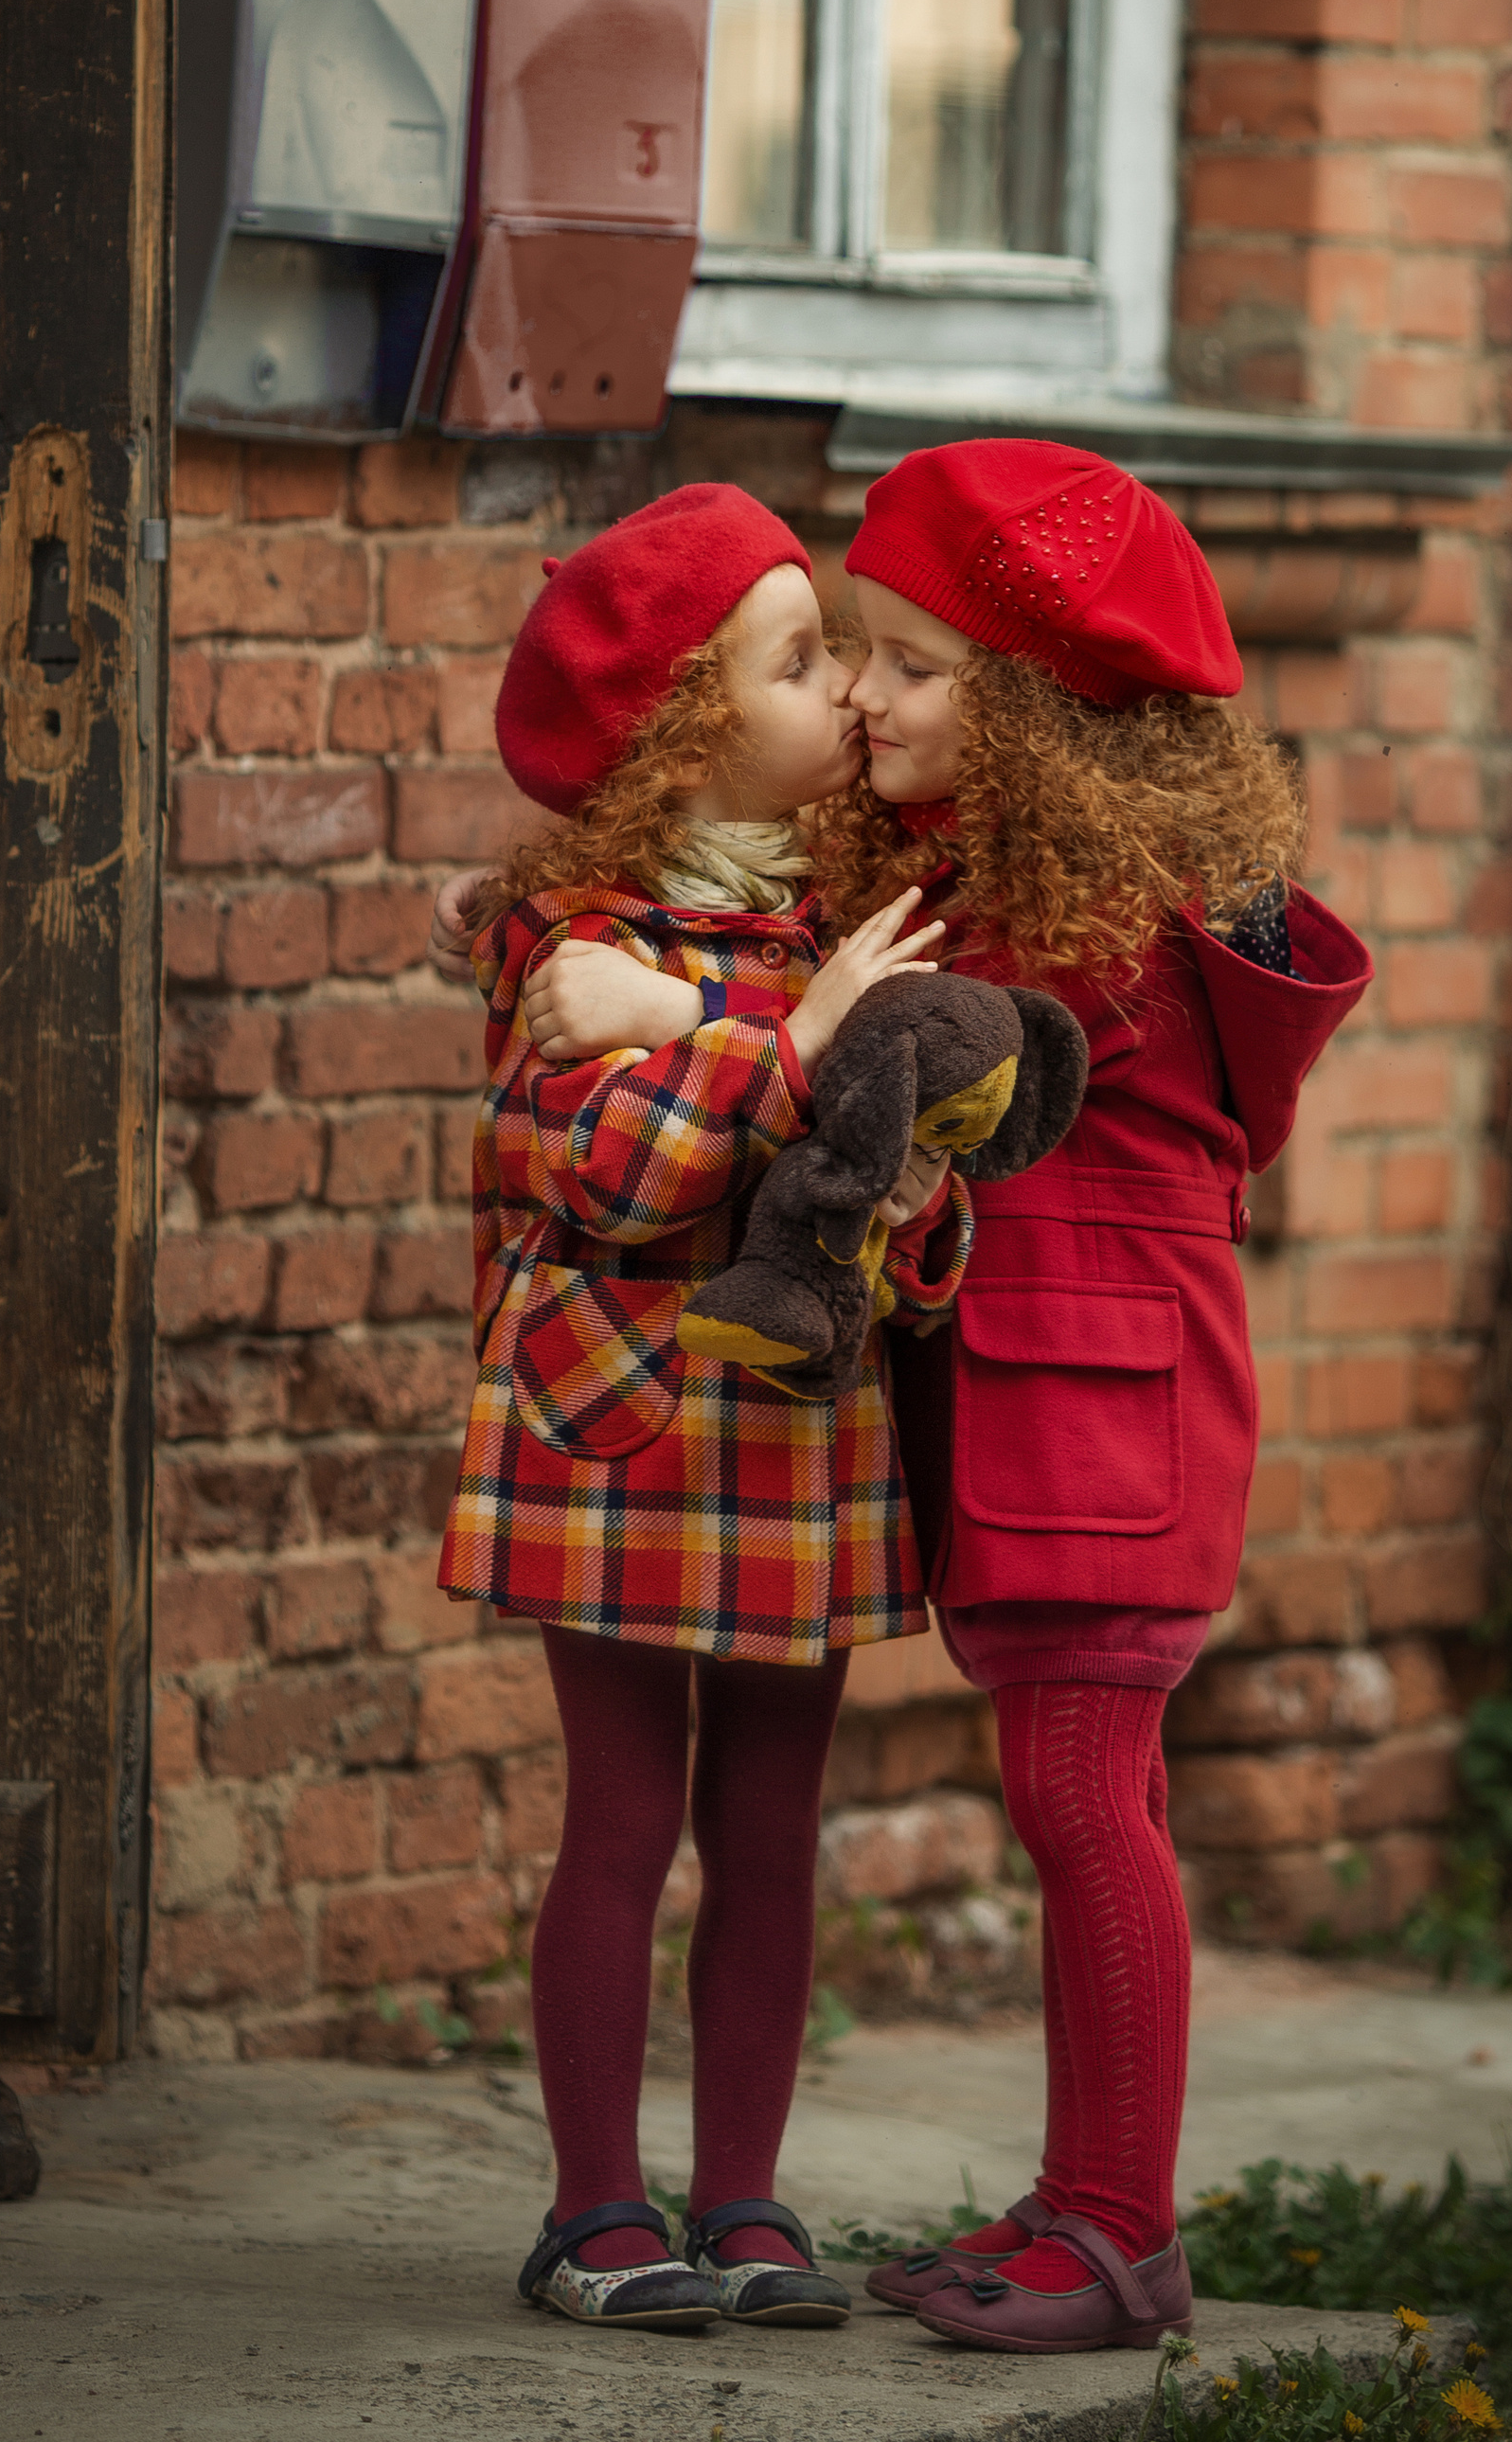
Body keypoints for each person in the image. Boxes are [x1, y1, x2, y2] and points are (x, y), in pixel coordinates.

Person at [518, 440, 1372, 2360]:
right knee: (1087, 1796)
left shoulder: (1076, 914)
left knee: (1081, 1801)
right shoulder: (1032, 880)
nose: (866, 698)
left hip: (1098, 1412)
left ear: (1036, 714)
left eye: (908, 662)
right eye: (853, 655)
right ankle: (1086, 2200)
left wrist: (671, 1020)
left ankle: (1120, 2231)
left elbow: (892, 1058)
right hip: (1057, 1401)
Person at [434, 481, 959, 2340]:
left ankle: (739, 2195)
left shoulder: (846, 920)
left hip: (797, 1427)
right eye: (800, 661)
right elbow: (609, 1184)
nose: (843, 697)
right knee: (622, 1816)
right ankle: (588, 2210)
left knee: (770, 1818)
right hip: (628, 1420)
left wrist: (908, 1200)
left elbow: (900, 1173)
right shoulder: (561, 935)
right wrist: (784, 1045)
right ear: (682, 718)